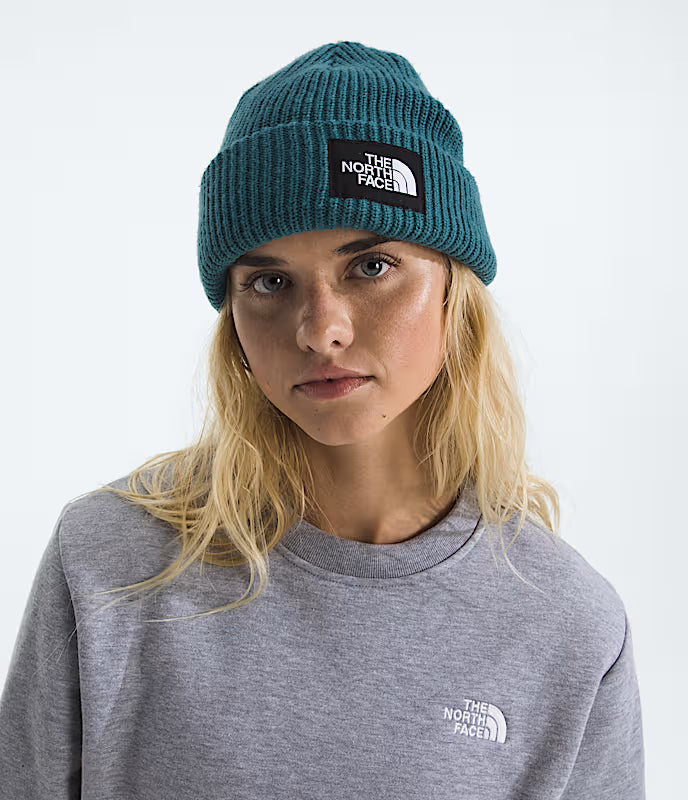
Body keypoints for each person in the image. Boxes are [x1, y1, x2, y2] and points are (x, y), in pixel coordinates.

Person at [0, 40, 645, 799]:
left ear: (454, 291)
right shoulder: (108, 562)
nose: (320, 330)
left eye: (371, 267)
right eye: (269, 282)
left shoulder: (568, 626)